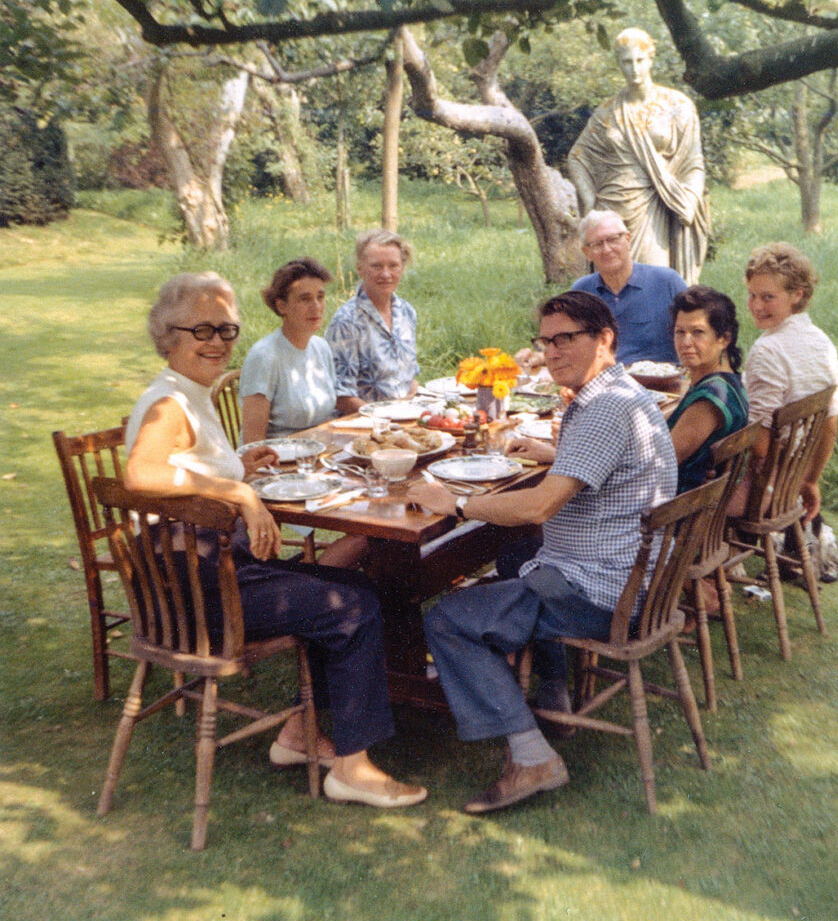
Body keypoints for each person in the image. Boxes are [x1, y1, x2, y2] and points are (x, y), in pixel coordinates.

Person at [123, 271, 426, 808]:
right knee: (352, 605)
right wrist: (239, 495)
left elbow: (182, 474)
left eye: (226, 329)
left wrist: (237, 466)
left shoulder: (190, 394)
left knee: (347, 587)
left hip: (215, 572)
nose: (217, 342)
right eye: (202, 330)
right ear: (169, 334)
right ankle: (351, 770)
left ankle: (298, 733)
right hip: (200, 591)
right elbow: (140, 477)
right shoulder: (169, 403)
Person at [408, 292, 677, 814]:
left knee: (448, 619)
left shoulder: (604, 410)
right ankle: (552, 688)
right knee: (516, 557)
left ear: (605, 340)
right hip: (636, 576)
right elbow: (607, 467)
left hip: (600, 589)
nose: (553, 352)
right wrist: (557, 455)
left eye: (566, 339)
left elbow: (540, 507)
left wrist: (457, 504)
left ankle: (532, 755)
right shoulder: (624, 393)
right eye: (546, 341)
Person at [567, 27, 709, 285]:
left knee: (654, 281)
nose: (634, 68)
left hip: (655, 205)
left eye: (639, 61)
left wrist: (688, 198)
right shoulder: (609, 111)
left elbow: (693, 161)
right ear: (618, 64)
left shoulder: (677, 106)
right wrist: (589, 202)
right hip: (611, 208)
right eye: (627, 62)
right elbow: (578, 156)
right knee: (611, 284)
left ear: (651, 59)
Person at [742, 242, 838, 521]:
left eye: (767, 297)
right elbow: (830, 424)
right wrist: (810, 479)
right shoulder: (821, 342)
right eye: (752, 295)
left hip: (764, 488)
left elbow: (760, 445)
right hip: (794, 475)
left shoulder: (768, 350)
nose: (756, 306)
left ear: (797, 295)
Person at [239, 258, 338, 443]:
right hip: (278, 461)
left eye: (320, 297)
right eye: (305, 299)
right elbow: (253, 441)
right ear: (281, 306)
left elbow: (327, 420)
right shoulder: (264, 357)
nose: (316, 306)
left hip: (319, 454)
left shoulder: (321, 347)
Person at [570, 209, 686, 365]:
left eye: (613, 239)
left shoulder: (667, 282)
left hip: (661, 384)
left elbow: (699, 331)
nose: (607, 249)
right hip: (602, 383)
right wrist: (540, 356)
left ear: (628, 240)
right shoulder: (581, 292)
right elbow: (569, 344)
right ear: (587, 253)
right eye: (597, 244)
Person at [326, 229, 419, 413]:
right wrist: (384, 420)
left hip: (406, 416)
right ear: (360, 268)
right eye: (376, 266)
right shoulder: (346, 322)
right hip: (364, 425)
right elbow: (342, 397)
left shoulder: (406, 312)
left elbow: (409, 378)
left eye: (393, 266)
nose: (386, 274)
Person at [667, 285, 749, 493]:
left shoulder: (709, 400)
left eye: (698, 332)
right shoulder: (728, 382)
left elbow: (661, 461)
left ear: (724, 339)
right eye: (680, 332)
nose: (686, 342)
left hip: (673, 514)